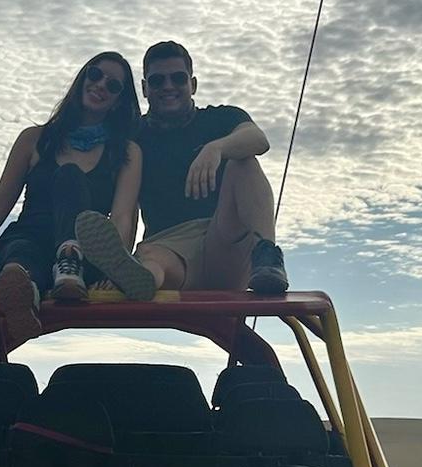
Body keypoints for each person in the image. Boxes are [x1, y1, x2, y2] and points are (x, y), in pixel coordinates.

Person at [0, 52, 143, 345]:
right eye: (95, 74)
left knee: (69, 176)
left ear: (119, 101)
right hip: (27, 240)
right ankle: (24, 295)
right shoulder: (35, 139)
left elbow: (125, 217)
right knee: (18, 262)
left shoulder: (127, 153)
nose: (101, 85)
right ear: (82, 78)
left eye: (113, 86)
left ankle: (67, 262)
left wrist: (116, 269)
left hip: (89, 255)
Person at [74, 40, 288, 297]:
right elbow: (126, 210)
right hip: (167, 248)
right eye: (157, 81)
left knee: (245, 161)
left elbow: (258, 139)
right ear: (144, 88)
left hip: (222, 241)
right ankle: (135, 277)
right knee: (152, 259)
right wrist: (115, 257)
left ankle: (268, 257)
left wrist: (216, 149)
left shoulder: (222, 119)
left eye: (178, 78)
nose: (168, 87)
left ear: (193, 84)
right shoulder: (133, 137)